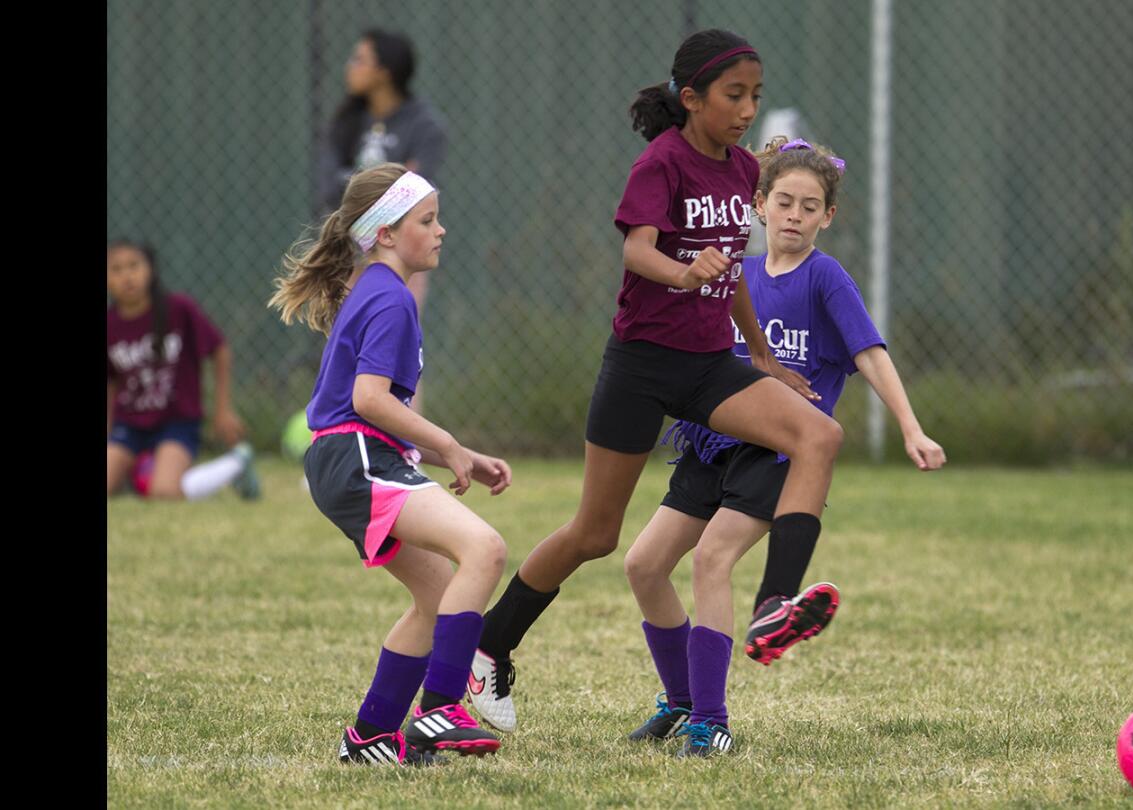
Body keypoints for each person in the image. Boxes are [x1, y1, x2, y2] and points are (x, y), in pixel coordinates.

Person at [463, 29, 844, 748]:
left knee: (818, 433)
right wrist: (681, 272)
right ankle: (489, 646)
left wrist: (760, 354)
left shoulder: (740, 172)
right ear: (692, 98)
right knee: (595, 535)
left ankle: (772, 606)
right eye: (734, 96)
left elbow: (729, 272)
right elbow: (639, 249)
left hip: (708, 366)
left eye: (756, 97)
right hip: (641, 363)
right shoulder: (661, 163)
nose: (747, 110)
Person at [622, 136, 947, 757]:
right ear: (759, 205)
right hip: (712, 444)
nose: (795, 215)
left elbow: (870, 355)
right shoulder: (737, 275)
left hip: (775, 457)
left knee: (711, 560)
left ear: (828, 216)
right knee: (642, 565)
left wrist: (910, 425)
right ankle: (681, 698)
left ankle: (710, 722)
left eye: (810, 206)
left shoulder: (825, 279)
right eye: (784, 202)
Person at [271, 162, 511, 765]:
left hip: (344, 457)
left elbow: (373, 410)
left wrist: (462, 456)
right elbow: (368, 401)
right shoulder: (390, 298)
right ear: (384, 233)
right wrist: (449, 444)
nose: (441, 231)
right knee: (484, 549)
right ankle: (440, 710)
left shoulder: (377, 290)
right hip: (355, 456)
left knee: (436, 600)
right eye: (427, 221)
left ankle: (372, 735)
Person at [315, 28, 447, 414]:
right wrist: (385, 187)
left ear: (385, 70)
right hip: (352, 247)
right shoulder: (345, 122)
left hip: (399, 247)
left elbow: (418, 189)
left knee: (398, 340)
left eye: (360, 59)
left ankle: (406, 441)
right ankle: (333, 431)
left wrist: (356, 186)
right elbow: (328, 186)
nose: (350, 67)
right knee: (346, 338)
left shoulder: (423, 124)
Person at [107, 240, 260, 501]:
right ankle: (134, 473)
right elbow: (111, 384)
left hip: (177, 422)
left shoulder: (178, 309)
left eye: (134, 266)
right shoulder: (110, 323)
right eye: (116, 269)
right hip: (129, 424)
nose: (127, 276)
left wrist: (222, 410)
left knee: (164, 492)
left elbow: (219, 349)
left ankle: (234, 465)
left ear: (150, 270)